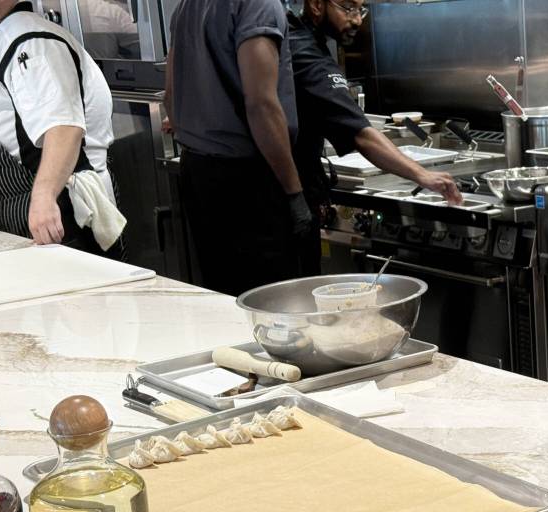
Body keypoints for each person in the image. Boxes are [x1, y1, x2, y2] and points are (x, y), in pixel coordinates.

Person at [287, 0, 461, 275]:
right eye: (348, 8)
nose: (357, 20)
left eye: (362, 9)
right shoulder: (305, 53)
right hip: (287, 203)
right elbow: (361, 135)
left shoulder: (296, 35)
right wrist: (423, 175)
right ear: (317, 5)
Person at [166, 0, 312, 296]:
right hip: (247, 178)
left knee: (226, 298)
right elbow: (261, 104)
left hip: (199, 171)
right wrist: (294, 192)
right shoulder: (259, 4)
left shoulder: (186, 7)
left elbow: (170, 95)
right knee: (273, 307)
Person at [0, 0, 125, 255]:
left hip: (61, 222)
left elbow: (64, 128)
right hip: (11, 226)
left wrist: (44, 197)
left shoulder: (31, 40)